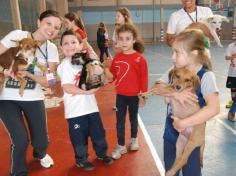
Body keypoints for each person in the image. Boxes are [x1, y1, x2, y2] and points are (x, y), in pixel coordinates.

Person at [0, 10, 62, 176]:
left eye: (56, 27)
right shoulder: (18, 34)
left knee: (41, 139)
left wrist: (28, 74)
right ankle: (18, 172)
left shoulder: (52, 49)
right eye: (48, 23)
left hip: (34, 97)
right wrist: (5, 71)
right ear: (38, 22)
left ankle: (40, 153)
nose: (51, 29)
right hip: (6, 98)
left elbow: (49, 81)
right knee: (20, 139)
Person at [153, 29, 220, 176]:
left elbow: (214, 108)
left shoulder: (206, 76)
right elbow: (157, 87)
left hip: (191, 135)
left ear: (194, 53)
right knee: (170, 171)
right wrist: (175, 95)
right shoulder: (175, 70)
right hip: (171, 133)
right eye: (173, 52)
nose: (173, 57)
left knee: (192, 172)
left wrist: (184, 123)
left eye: (177, 52)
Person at [57, 30, 113, 171]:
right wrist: (85, 92)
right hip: (75, 112)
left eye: (74, 42)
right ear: (61, 47)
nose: (70, 46)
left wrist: (101, 71)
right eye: (66, 43)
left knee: (98, 133)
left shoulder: (85, 63)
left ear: (81, 45)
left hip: (91, 108)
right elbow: (67, 87)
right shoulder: (65, 65)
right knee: (79, 138)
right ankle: (81, 160)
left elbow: (99, 76)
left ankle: (101, 154)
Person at [104, 24, 148, 160]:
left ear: (134, 40)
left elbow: (144, 79)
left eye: (127, 39)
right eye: (121, 39)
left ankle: (134, 139)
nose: (124, 42)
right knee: (119, 122)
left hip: (135, 96)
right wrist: (105, 68)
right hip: (121, 96)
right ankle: (121, 145)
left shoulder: (140, 58)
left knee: (133, 119)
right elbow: (112, 77)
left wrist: (143, 96)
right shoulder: (117, 58)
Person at [225, 41, 236, 122]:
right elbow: (227, 57)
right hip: (233, 73)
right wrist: (233, 56)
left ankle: (232, 111)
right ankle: (233, 108)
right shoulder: (231, 45)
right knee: (233, 94)